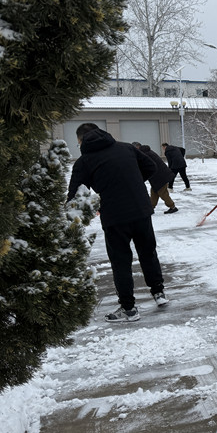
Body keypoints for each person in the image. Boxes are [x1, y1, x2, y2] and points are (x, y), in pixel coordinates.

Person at [67, 124, 169, 322]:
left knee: (121, 261)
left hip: (114, 216)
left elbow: (75, 196)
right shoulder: (126, 147)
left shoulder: (84, 161)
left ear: (81, 140)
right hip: (141, 209)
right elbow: (151, 167)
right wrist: (131, 183)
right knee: (148, 251)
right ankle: (159, 293)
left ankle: (129, 309)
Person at [132, 142, 178, 214]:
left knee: (162, 193)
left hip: (160, 176)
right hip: (157, 176)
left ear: (137, 147)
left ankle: (172, 207)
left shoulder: (144, 154)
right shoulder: (146, 152)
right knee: (154, 192)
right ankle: (150, 208)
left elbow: (143, 166)